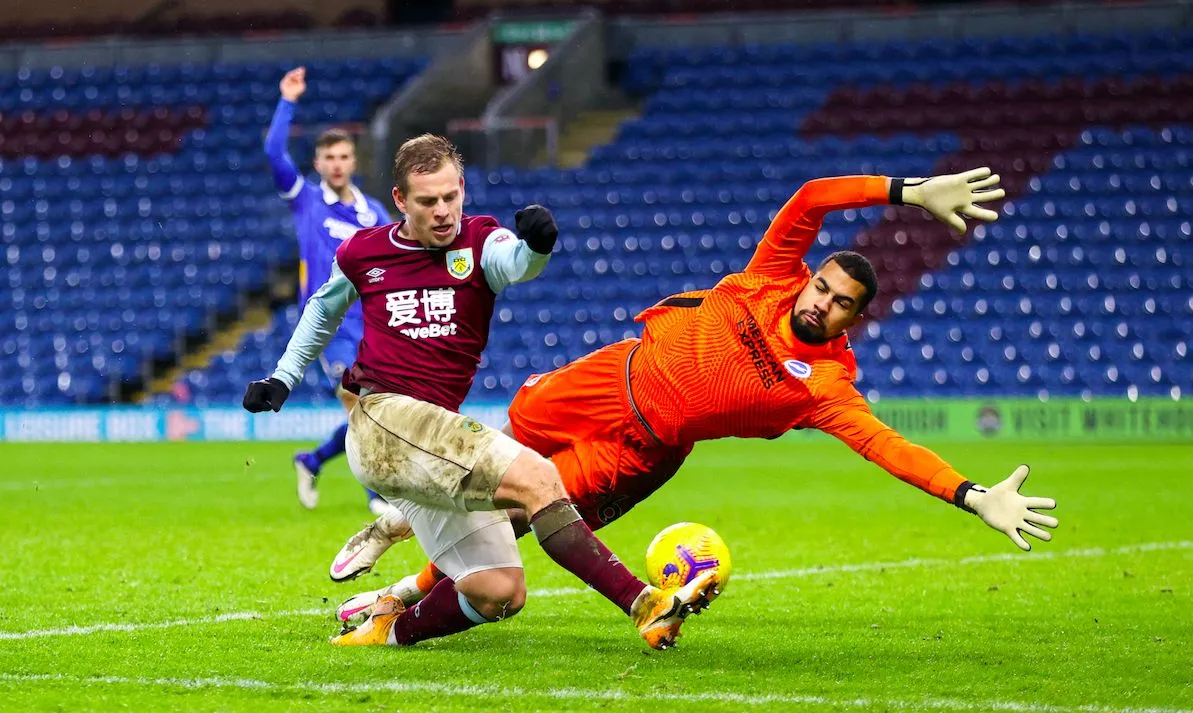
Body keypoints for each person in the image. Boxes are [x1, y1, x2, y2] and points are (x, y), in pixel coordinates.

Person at [328, 167, 1060, 616]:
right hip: (607, 376)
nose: (820, 302)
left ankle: (400, 588)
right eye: (821, 286)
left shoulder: (827, 388)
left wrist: (971, 494)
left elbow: (887, 447)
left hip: (642, 448)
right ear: (808, 278)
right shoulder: (770, 276)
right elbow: (810, 200)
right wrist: (906, 190)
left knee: (526, 507)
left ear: (851, 320)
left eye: (838, 303)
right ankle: (404, 516)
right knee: (507, 436)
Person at [243, 134, 722, 650]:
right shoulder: (364, 251)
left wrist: (536, 246)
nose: (444, 211)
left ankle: (387, 629)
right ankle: (646, 605)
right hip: (383, 418)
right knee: (539, 476)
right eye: (428, 201)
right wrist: (282, 377)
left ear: (463, 189)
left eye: (452, 196)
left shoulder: (479, 242)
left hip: (428, 446)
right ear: (401, 200)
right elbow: (322, 308)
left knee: (500, 592)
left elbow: (515, 262)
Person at [265, 66, 393, 514]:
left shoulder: (374, 213)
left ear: (353, 161)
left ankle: (313, 459)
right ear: (318, 163)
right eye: (329, 158)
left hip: (372, 323)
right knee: (359, 405)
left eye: (343, 156)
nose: (337, 164)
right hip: (329, 324)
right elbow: (273, 151)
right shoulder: (305, 198)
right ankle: (376, 493)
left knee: (378, 409)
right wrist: (288, 100)